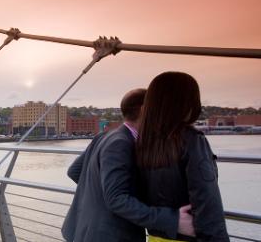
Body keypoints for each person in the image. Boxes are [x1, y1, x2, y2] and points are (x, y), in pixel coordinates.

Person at [62, 88, 194, 241]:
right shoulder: (121, 144)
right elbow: (116, 198)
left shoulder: (104, 136)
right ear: (145, 110)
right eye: (158, 109)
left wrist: (103, 194)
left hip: (85, 230)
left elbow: (75, 171)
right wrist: (173, 220)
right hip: (109, 235)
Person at [136, 72, 229, 241]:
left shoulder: (143, 143)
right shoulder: (192, 141)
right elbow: (207, 203)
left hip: (158, 236)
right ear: (187, 103)